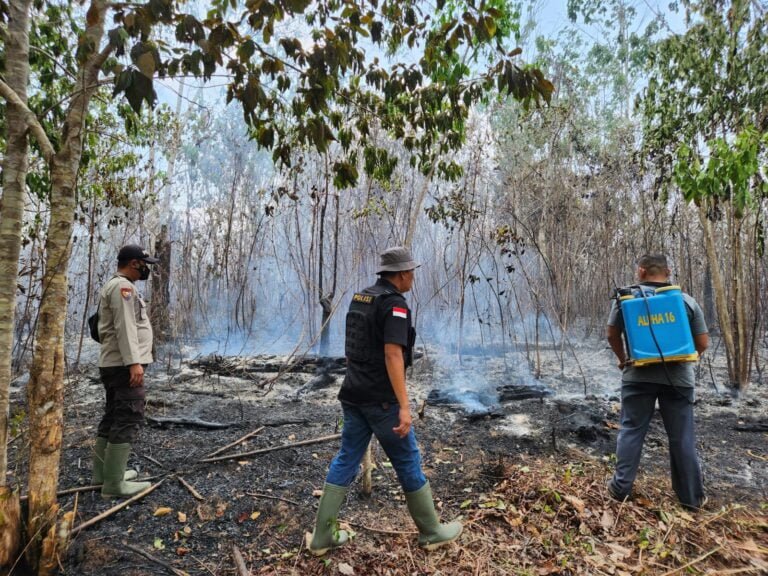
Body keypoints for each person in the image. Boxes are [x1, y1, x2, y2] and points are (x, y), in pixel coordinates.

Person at [306, 246, 462, 555]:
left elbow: (352, 350)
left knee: (346, 458)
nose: (414, 278)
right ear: (402, 274)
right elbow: (393, 354)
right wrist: (404, 405)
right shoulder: (395, 306)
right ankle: (431, 531)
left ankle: (321, 537)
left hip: (353, 394)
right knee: (407, 459)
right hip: (383, 402)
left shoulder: (361, 298)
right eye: (412, 273)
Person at [606, 254, 709, 509]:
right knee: (682, 437)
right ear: (669, 271)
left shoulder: (627, 300)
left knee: (631, 431)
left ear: (641, 271)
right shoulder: (685, 301)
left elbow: (611, 334)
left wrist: (623, 359)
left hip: (637, 376)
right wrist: (686, 358)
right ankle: (691, 499)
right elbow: (703, 343)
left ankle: (620, 488)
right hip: (679, 380)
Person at [92, 244, 158, 498]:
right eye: (144, 264)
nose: (146, 269)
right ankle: (114, 485)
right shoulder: (123, 287)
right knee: (128, 416)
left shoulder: (116, 286)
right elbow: (125, 327)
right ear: (133, 263)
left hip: (114, 364)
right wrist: (134, 362)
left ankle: (104, 475)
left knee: (112, 415)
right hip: (122, 365)